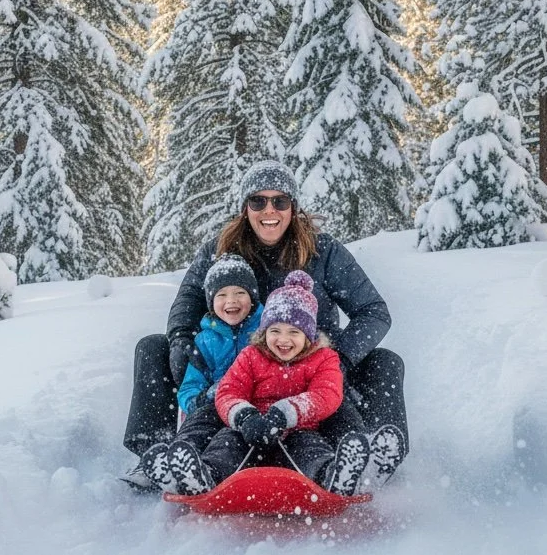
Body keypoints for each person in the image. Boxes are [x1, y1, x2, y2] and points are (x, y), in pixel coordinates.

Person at [122, 159, 408, 491]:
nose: (268, 209)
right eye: (258, 200)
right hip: (239, 375)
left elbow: (374, 312)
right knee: (153, 347)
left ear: (293, 208)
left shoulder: (323, 252)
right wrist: (181, 341)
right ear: (245, 208)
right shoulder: (220, 251)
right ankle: (157, 455)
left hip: (310, 375)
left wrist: (340, 359)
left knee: (385, 361)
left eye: (279, 201)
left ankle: (372, 461)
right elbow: (187, 301)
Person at [155, 271, 405, 496]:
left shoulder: (323, 358)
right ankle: (198, 475)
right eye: (275, 331)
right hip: (250, 428)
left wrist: (287, 414)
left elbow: (327, 394)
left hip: (300, 430)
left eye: (294, 332)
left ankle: (338, 474)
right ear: (264, 333)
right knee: (226, 445)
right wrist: (244, 417)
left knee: (311, 451)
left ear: (308, 335)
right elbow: (229, 391)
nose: (283, 340)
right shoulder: (251, 356)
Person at [136, 253, 264, 493]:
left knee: (227, 441)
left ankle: (204, 474)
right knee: (198, 425)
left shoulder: (267, 333)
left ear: (253, 297)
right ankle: (176, 463)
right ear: (210, 301)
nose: (231, 301)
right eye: (222, 295)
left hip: (252, 407)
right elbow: (189, 387)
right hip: (215, 404)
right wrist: (201, 398)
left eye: (240, 293)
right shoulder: (205, 342)